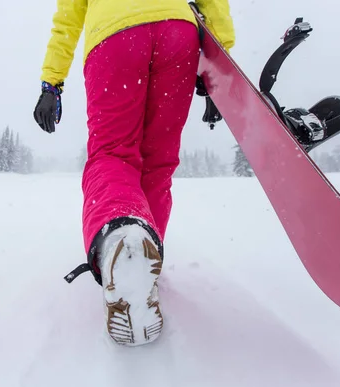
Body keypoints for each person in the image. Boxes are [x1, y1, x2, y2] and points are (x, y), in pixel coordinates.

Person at [33, 0, 235, 346]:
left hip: (115, 35)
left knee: (112, 154)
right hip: (177, 33)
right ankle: (143, 268)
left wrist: (52, 82)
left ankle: (120, 242)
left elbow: (67, 17)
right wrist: (221, 65)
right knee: (158, 163)